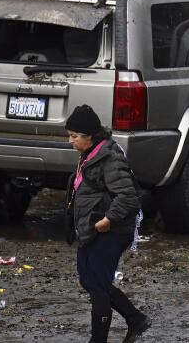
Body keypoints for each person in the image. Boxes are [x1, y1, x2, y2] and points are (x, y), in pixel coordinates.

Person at [65, 104, 151, 343]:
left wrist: (108, 220)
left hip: (111, 230)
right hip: (91, 229)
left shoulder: (109, 158)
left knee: (99, 287)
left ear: (89, 136)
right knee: (88, 279)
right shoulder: (89, 154)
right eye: (69, 135)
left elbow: (128, 196)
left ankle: (98, 339)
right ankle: (136, 319)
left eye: (74, 136)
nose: (70, 141)